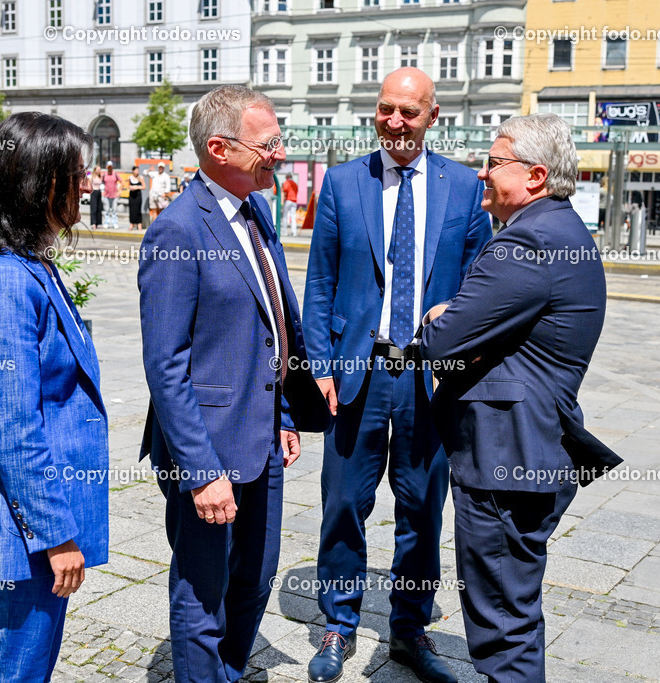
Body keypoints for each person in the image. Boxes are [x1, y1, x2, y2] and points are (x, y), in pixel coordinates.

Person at [303, 67, 493, 683]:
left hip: (428, 379)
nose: (395, 121)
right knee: (343, 505)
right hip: (361, 372)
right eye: (386, 109)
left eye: (409, 112)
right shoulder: (341, 182)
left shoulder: (464, 188)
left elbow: (478, 290)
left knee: (422, 509)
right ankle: (337, 621)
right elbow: (321, 285)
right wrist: (321, 367)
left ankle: (410, 628)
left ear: (432, 117)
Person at [420, 114, 623, 682]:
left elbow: (442, 341)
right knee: (511, 613)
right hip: (525, 452)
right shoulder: (557, 229)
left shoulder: (530, 240)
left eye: (493, 162)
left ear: (535, 175)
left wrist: (439, 317)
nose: (482, 173)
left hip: (507, 464)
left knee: (502, 626)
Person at [138, 85, 330, 683]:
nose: (280, 152)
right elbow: (165, 365)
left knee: (254, 579)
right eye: (268, 142)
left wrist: (285, 414)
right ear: (219, 148)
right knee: (203, 595)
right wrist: (200, 471)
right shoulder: (177, 231)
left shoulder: (257, 211)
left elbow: (270, 323)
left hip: (263, 436)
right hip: (208, 450)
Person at [0, 111, 108, 683]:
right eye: (73, 172)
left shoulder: (30, 265)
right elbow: (13, 428)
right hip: (19, 531)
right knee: (21, 668)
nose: (86, 183)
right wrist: (56, 535)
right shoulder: (5, 281)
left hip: (27, 521)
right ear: (36, 183)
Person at [102, 161, 120, 229]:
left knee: (114, 210)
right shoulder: (104, 175)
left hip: (114, 195)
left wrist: (119, 191)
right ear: (107, 167)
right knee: (106, 210)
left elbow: (121, 182)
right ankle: (106, 222)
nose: (110, 168)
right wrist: (102, 191)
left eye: (111, 166)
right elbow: (101, 183)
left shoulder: (115, 174)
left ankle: (115, 223)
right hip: (106, 195)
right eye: (108, 166)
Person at [127, 166, 144, 230]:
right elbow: (128, 185)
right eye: (136, 170)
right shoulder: (130, 178)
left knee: (138, 209)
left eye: (138, 170)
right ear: (133, 171)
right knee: (132, 210)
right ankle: (131, 224)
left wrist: (137, 187)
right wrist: (131, 187)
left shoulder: (140, 178)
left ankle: (139, 224)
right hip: (132, 195)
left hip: (138, 195)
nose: (137, 171)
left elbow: (144, 186)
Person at [89, 165, 103, 229]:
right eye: (98, 169)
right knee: (94, 208)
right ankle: (93, 223)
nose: (99, 171)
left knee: (99, 208)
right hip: (94, 192)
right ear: (95, 170)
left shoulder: (100, 176)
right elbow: (89, 184)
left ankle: (98, 223)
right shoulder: (92, 176)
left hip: (99, 192)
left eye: (100, 169)